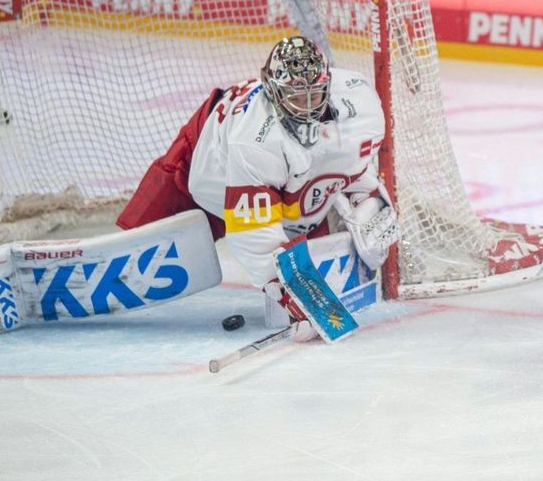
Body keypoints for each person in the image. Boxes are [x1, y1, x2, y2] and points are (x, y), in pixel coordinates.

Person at [117, 35, 398, 337]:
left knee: (304, 243)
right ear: (273, 92)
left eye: (313, 95)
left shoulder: (362, 103)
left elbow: (352, 164)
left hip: (289, 190)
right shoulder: (255, 141)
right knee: (135, 257)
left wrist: (367, 198)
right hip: (204, 162)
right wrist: (290, 295)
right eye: (295, 97)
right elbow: (252, 234)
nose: (305, 108)